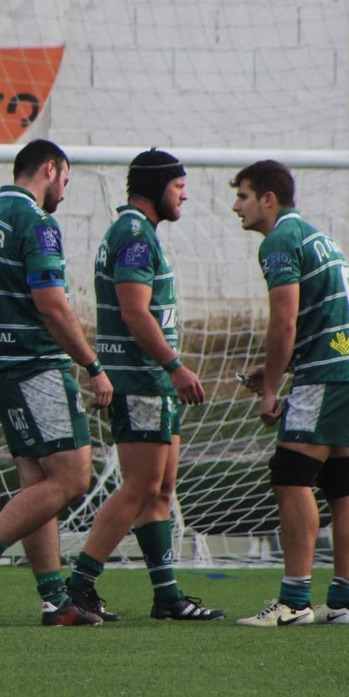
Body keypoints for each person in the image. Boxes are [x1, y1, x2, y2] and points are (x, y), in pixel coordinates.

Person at [0, 139, 111, 627]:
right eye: (65, 179)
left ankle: (54, 600)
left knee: (38, 481)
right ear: (50, 168)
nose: (64, 190)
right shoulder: (37, 223)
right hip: (36, 365)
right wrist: (92, 365)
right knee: (72, 477)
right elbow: (53, 305)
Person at [64, 150, 223, 622]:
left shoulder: (140, 233)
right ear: (155, 187)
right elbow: (134, 310)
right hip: (141, 378)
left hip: (152, 379)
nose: (185, 193)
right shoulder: (134, 234)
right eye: (178, 185)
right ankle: (78, 586)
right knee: (139, 486)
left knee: (160, 488)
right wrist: (174, 366)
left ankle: (167, 596)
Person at [230, 161, 349, 627]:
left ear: (268, 198)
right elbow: (319, 319)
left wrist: (272, 388)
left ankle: (294, 602)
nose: (237, 206)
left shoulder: (279, 241)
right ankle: (342, 604)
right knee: (343, 482)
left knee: (291, 475)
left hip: (325, 374)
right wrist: (278, 366)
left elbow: (285, 321)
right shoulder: (319, 237)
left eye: (244, 195)